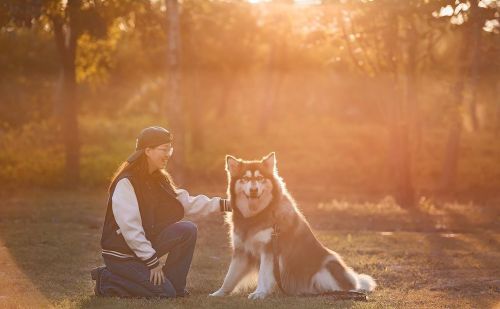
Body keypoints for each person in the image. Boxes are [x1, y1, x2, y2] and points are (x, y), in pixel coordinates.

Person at [91, 126, 231, 298]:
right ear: (148, 151)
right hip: (122, 256)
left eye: (169, 150)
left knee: (187, 230)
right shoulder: (126, 183)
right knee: (164, 294)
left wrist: (226, 204)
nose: (168, 154)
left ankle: (175, 287)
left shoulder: (157, 178)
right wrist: (153, 263)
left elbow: (185, 202)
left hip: (142, 247)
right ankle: (107, 279)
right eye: (164, 150)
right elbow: (130, 229)